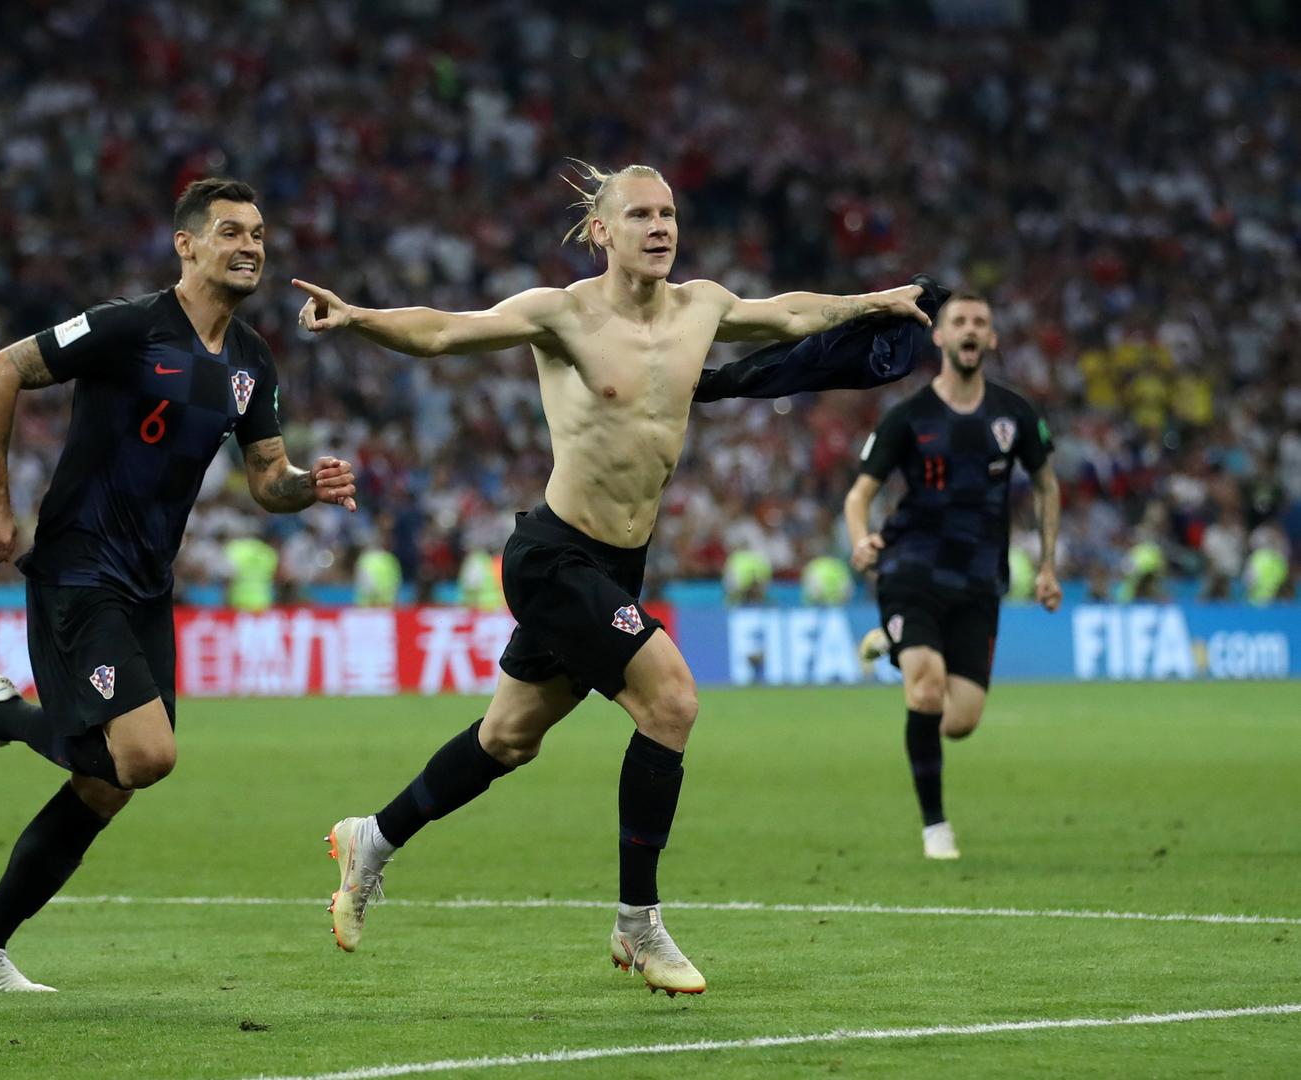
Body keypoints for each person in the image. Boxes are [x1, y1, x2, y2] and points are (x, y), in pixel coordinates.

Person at [294, 161, 935, 997]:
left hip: (619, 563)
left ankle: (371, 839)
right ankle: (638, 924)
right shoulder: (562, 314)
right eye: (639, 214)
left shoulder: (700, 306)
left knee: (506, 739)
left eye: (667, 213)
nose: (659, 226)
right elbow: (447, 332)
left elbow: (788, 315)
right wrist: (358, 318)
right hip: (553, 558)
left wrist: (873, 302)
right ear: (601, 231)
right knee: (671, 702)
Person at [0, 178, 356, 991]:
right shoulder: (128, 326)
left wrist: (308, 486)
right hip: (78, 567)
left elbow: (266, 478)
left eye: (258, 234)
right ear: (185, 245)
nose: (250, 246)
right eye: (230, 231)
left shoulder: (250, 360)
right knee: (147, 752)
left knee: (112, 782)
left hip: (146, 585)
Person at [845, 292, 1061, 861]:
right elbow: (859, 495)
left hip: (978, 580)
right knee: (925, 689)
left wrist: (1047, 565)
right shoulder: (908, 417)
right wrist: (861, 539)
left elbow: (1046, 485)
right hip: (910, 567)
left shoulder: (1014, 414)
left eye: (980, 322)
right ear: (939, 336)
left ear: (991, 339)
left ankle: (890, 642)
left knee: (959, 720)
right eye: (959, 321)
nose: (970, 329)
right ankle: (935, 826)